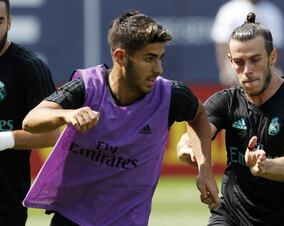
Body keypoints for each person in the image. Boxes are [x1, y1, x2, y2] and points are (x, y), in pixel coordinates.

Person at [21, 10, 220, 226]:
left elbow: (199, 115)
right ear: (120, 57)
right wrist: (67, 114)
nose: (158, 69)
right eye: (149, 59)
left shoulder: (172, 95)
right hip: (72, 218)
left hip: (129, 220)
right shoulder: (86, 86)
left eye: (160, 58)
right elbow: (31, 119)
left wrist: (205, 169)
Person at [178, 12, 284, 226]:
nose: (247, 70)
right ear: (229, 61)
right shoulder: (225, 101)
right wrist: (195, 158)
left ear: (272, 57)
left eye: (255, 60)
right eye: (238, 62)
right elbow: (191, 135)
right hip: (230, 216)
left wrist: (263, 166)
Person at [0, 0, 60, 225]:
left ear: (10, 23)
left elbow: (52, 134)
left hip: (5, 200)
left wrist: (3, 139)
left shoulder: (29, 67)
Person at [211, 0, 284, 86]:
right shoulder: (229, 10)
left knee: (279, 77)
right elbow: (222, 44)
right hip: (237, 62)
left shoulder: (272, 12)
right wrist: (224, 70)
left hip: (262, 62)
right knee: (231, 73)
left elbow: (275, 47)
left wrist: (269, 69)